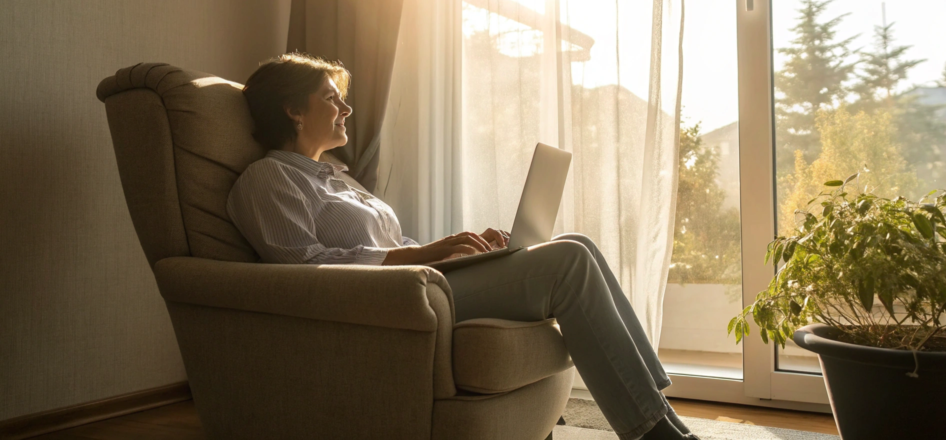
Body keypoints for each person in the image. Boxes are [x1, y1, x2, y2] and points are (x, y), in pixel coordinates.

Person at [226, 53, 699, 440]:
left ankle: (663, 416)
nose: (346, 110)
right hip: (393, 301)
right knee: (569, 261)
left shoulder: (340, 180)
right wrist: (427, 256)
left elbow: (396, 244)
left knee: (578, 243)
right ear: (293, 109)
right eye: (332, 99)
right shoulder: (269, 177)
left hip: (426, 285)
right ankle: (655, 435)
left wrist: (463, 249)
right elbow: (303, 266)